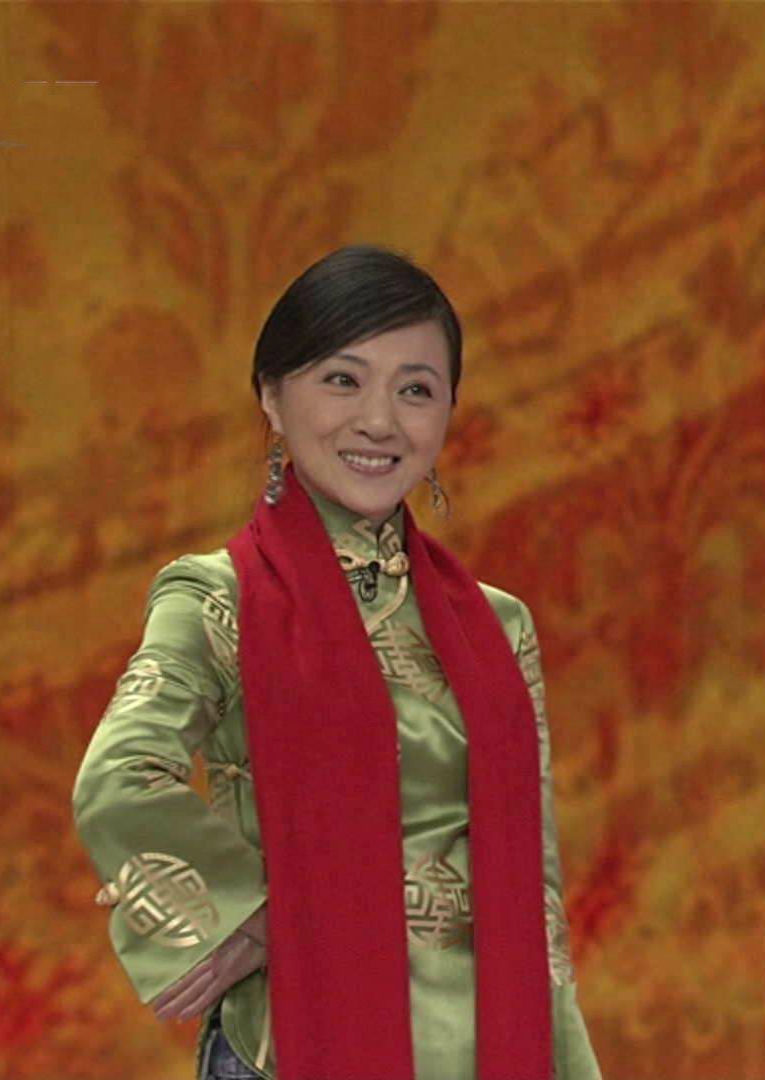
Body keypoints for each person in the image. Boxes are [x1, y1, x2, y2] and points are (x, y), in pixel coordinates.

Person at [73, 245, 602, 1080]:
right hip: (292, 1050)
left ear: (449, 412)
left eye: (416, 390)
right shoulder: (216, 600)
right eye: (343, 380)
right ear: (271, 396)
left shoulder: (499, 626)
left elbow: (534, 895)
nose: (380, 421)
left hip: (489, 1053)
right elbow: (119, 778)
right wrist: (255, 918)